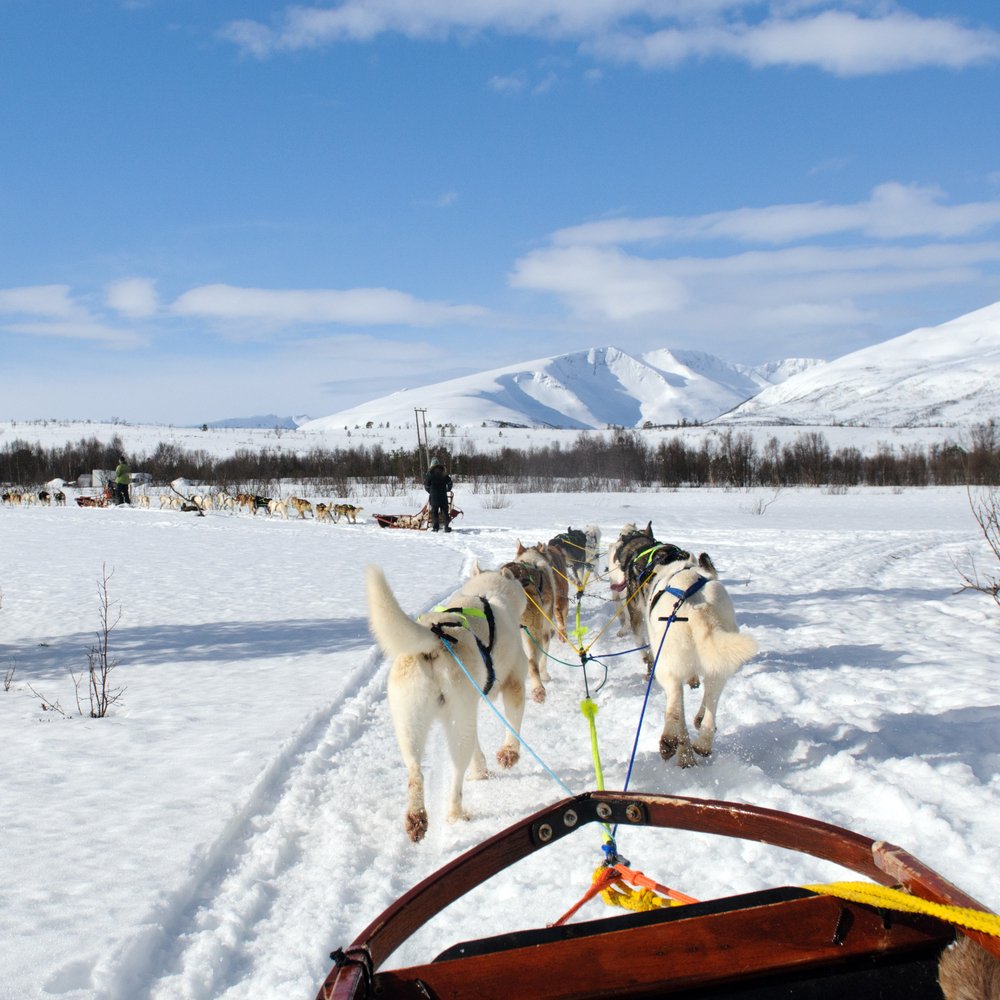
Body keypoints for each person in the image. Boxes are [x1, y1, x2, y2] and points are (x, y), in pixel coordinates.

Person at [423, 456, 453, 532]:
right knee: (445, 512)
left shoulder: (430, 474)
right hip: (443, 496)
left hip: (434, 497)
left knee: (434, 512)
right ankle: (446, 527)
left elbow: (426, 485)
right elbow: (450, 483)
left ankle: (435, 527)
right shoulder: (443, 473)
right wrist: (447, 489)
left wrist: (430, 491)